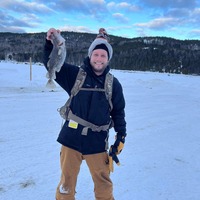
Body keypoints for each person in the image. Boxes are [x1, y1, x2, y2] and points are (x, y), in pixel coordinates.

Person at [43, 27, 127, 200]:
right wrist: (49, 42)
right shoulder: (75, 75)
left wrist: (121, 136)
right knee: (66, 184)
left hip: (96, 142)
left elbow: (118, 112)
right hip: (71, 139)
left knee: (104, 185)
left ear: (108, 58)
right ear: (90, 55)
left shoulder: (113, 84)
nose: (99, 58)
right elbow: (49, 63)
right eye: (96, 54)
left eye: (103, 55)